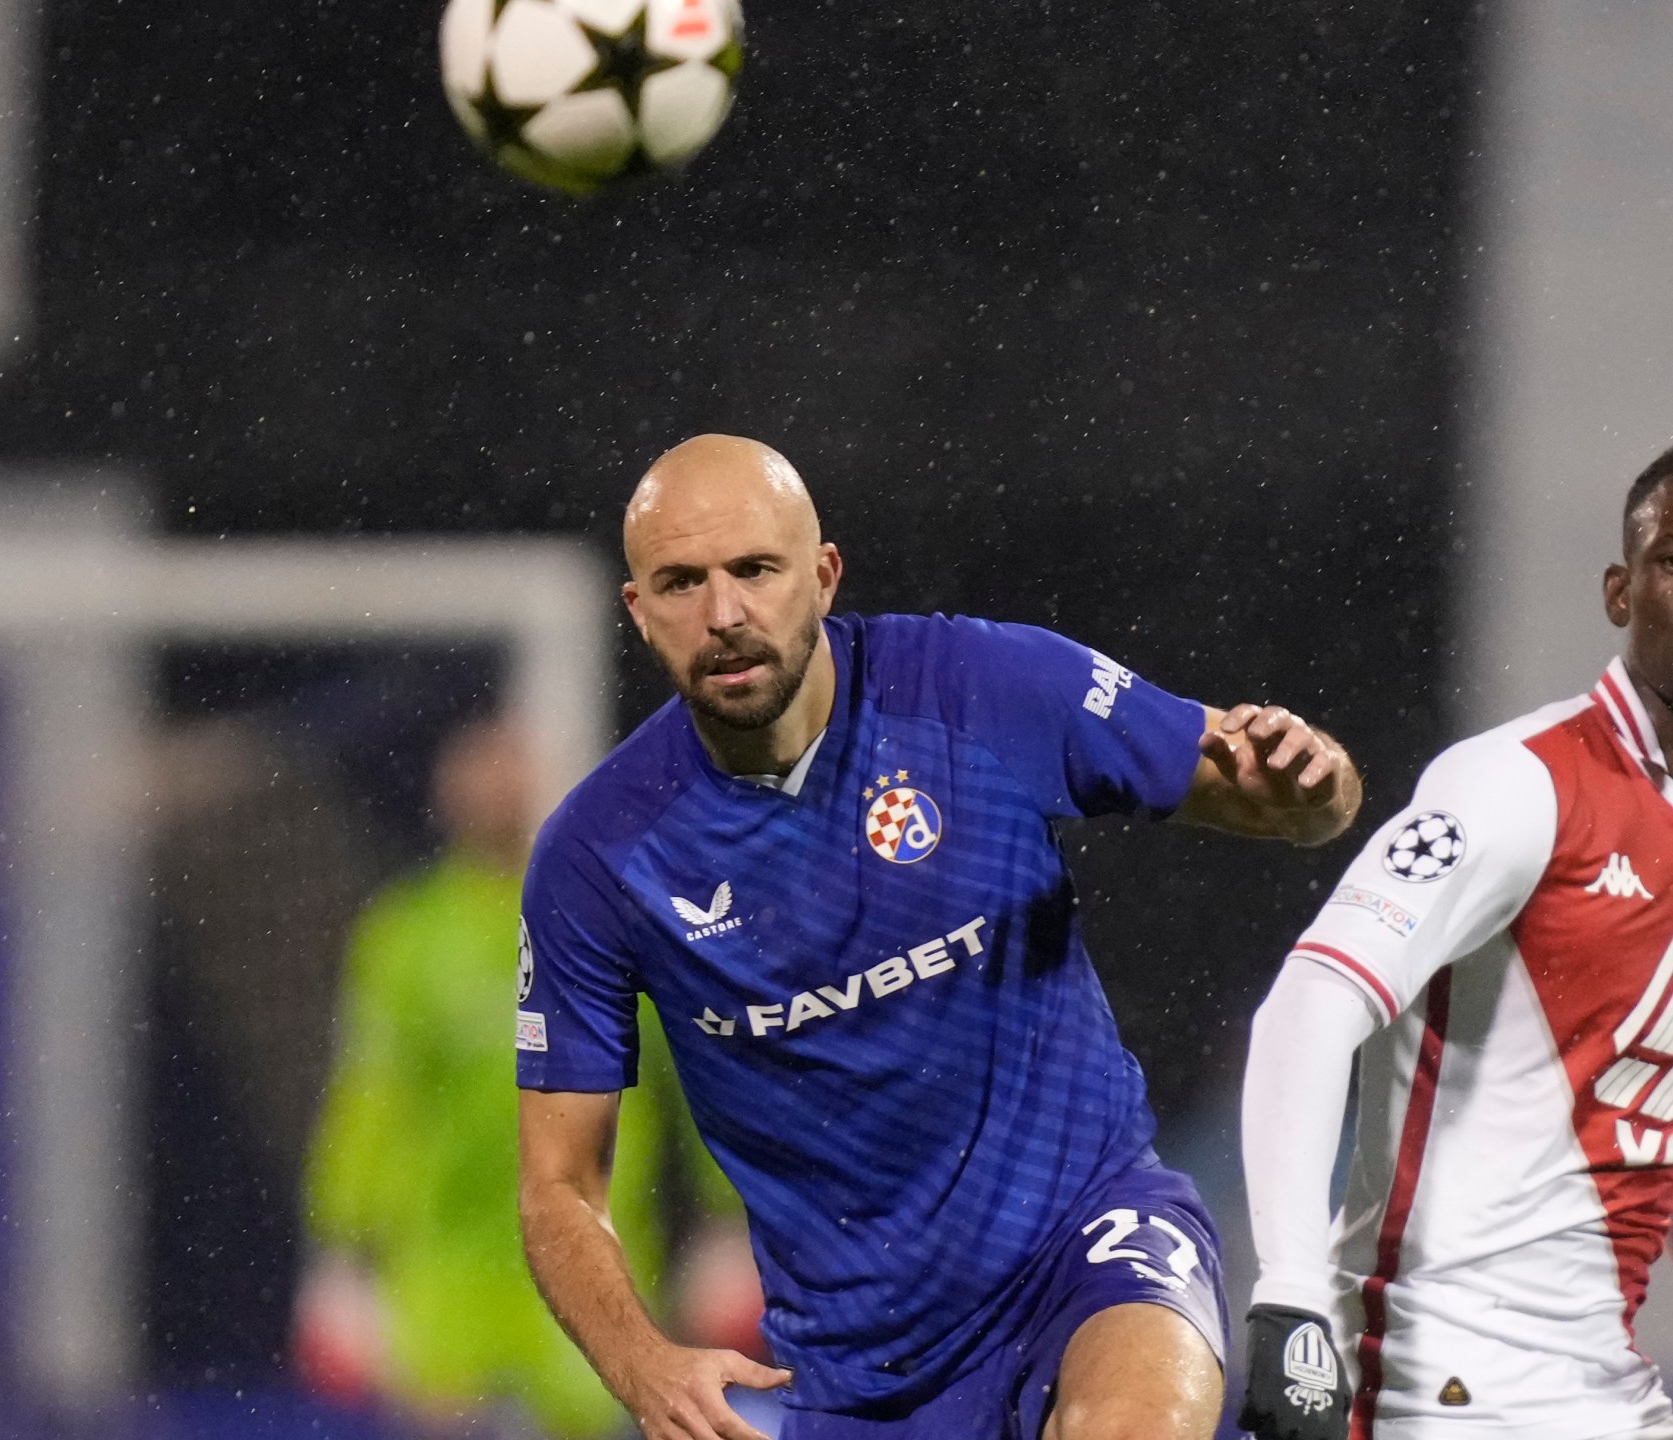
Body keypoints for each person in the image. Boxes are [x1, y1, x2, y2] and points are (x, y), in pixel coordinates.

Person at [514, 434, 1364, 1440]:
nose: (726, 614)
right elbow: (559, 1182)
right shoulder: (601, 855)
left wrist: (1317, 784)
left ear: (822, 575)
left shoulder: (977, 689)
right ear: (638, 610)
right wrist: (639, 1364)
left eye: (754, 569)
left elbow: (1289, 805)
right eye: (682, 582)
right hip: (856, 1366)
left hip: (1084, 1244)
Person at [1236, 440, 1673, 1439]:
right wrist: (1287, 1294)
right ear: (1621, 593)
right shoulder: (1514, 784)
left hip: (1602, 1396)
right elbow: (1311, 1006)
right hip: (1431, 1390)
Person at [303, 716, 747, 1438]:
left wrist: (728, 1220)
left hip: (594, 1245)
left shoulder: (617, 916)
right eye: (479, 769)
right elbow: (372, 1097)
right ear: (446, 793)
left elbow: (698, 1070)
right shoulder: (409, 935)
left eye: (511, 767)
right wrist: (343, 1250)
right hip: (449, 1263)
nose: (494, 788)